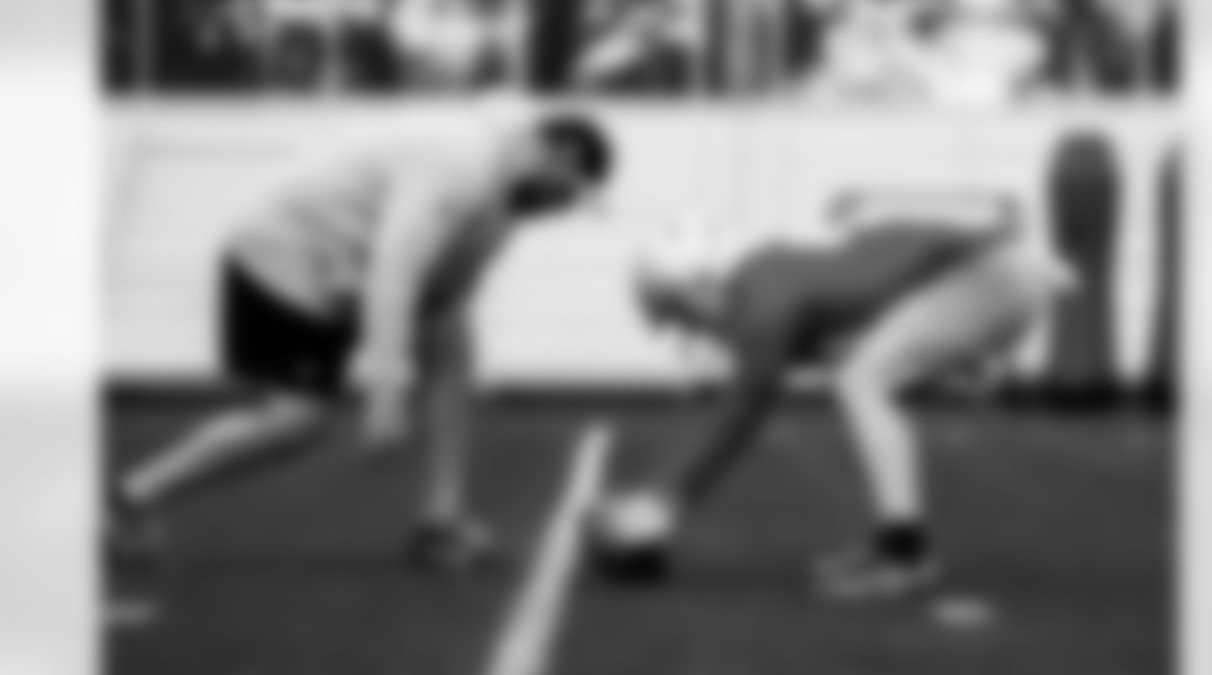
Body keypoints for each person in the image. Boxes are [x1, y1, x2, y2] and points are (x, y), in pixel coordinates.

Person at [109, 102, 613, 571]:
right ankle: (129, 497)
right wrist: (385, 391)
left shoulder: (504, 202)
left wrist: (429, 351)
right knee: (296, 420)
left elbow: (446, 292)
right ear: (559, 157)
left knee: (455, 345)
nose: (566, 208)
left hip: (340, 267)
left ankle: (440, 523)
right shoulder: (461, 164)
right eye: (571, 192)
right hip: (280, 259)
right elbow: (395, 268)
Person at [591, 193, 1075, 598]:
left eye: (679, 312)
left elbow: (744, 410)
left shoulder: (762, 296)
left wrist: (664, 500)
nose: (690, 328)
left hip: (989, 274)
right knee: (862, 372)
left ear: (701, 283)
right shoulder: (768, 275)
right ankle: (898, 546)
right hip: (991, 269)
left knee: (862, 379)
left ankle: (903, 553)